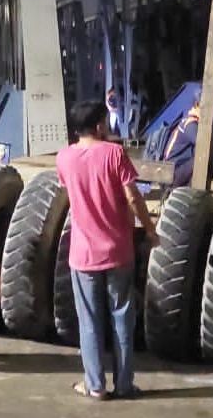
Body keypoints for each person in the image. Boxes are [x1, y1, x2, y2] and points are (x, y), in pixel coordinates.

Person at [56, 101, 158, 400]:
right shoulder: (114, 153)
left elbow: (70, 194)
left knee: (89, 320)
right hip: (118, 250)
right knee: (122, 317)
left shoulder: (64, 158)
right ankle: (124, 384)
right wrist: (150, 229)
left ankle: (95, 385)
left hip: (83, 254)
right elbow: (132, 196)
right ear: (100, 125)